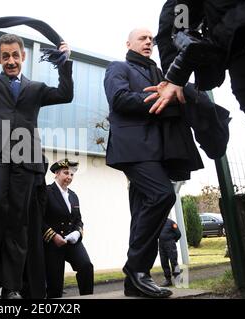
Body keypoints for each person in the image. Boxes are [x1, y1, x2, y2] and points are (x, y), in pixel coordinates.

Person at [0, 28, 73, 299]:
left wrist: (65, 62)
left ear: (23, 56)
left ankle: (11, 287)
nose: (11, 61)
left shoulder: (36, 89)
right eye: (5, 56)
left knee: (18, 223)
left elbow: (66, 94)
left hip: (26, 158)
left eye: (15, 56)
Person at [104, 28, 179, 299]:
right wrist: (159, 97)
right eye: (143, 38)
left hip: (156, 150)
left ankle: (134, 282)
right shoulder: (118, 68)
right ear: (129, 43)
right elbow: (119, 99)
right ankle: (136, 270)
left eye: (151, 39)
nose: (149, 42)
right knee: (163, 195)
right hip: (133, 149)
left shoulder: (159, 74)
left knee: (141, 212)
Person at [146, 0, 245, 142]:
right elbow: (181, 25)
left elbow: (178, 25)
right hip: (242, 57)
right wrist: (175, 74)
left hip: (242, 50)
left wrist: (175, 75)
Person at [42, 159, 94, 298]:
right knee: (55, 285)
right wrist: (53, 236)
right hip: (53, 243)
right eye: (66, 173)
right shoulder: (46, 192)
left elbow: (78, 220)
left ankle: (88, 297)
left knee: (86, 267)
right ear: (56, 174)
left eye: (71, 175)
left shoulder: (73, 196)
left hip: (71, 242)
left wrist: (77, 233)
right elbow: (39, 220)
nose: (69, 177)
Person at [159, 218, 181, 287]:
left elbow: (178, 234)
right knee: (164, 262)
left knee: (173, 262)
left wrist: (172, 240)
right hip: (161, 245)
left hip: (170, 244)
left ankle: (178, 280)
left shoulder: (171, 223)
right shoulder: (158, 222)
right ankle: (168, 280)